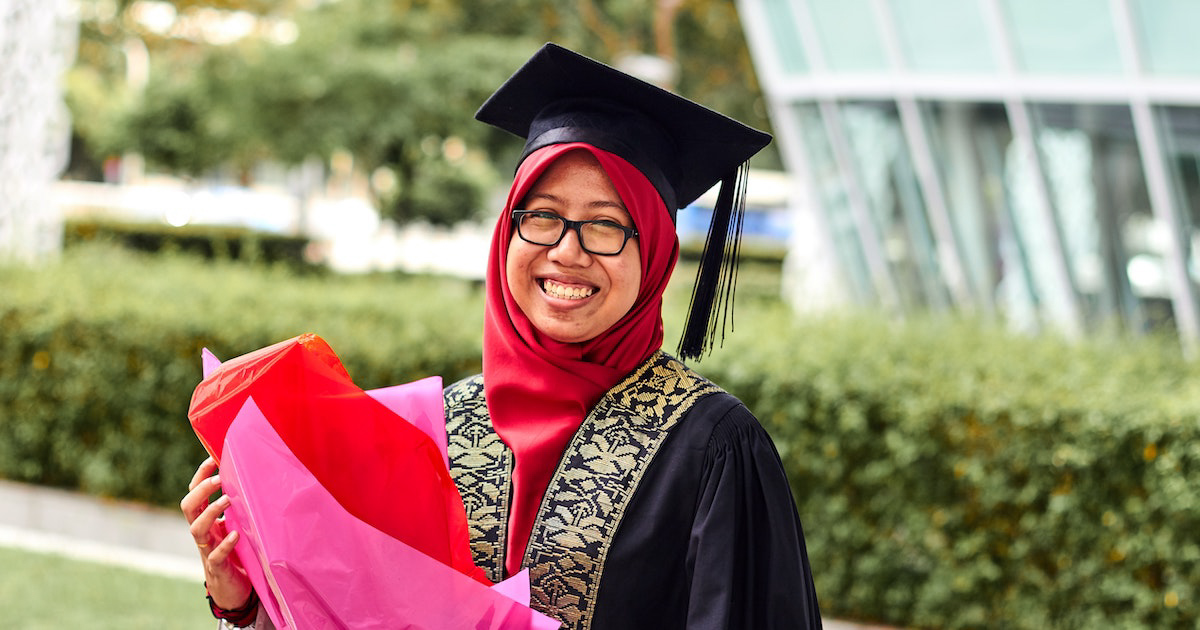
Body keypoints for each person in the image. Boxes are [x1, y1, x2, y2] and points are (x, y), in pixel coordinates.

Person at [181, 42, 822, 630]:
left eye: (606, 225)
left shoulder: (712, 449)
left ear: (654, 254)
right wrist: (243, 597)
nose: (567, 253)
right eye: (542, 217)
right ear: (506, 232)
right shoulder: (442, 427)